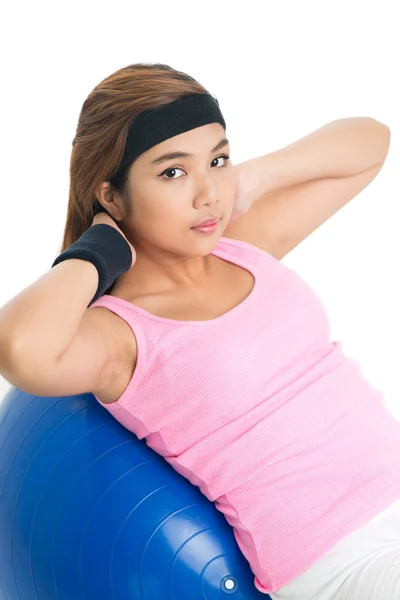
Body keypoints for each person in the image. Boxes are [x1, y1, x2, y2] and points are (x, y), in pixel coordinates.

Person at [0, 62, 400, 599]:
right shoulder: (121, 335)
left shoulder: (244, 248)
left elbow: (371, 141)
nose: (206, 193)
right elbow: (19, 349)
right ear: (112, 196)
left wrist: (252, 177)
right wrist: (96, 252)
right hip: (341, 561)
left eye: (217, 158)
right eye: (173, 172)